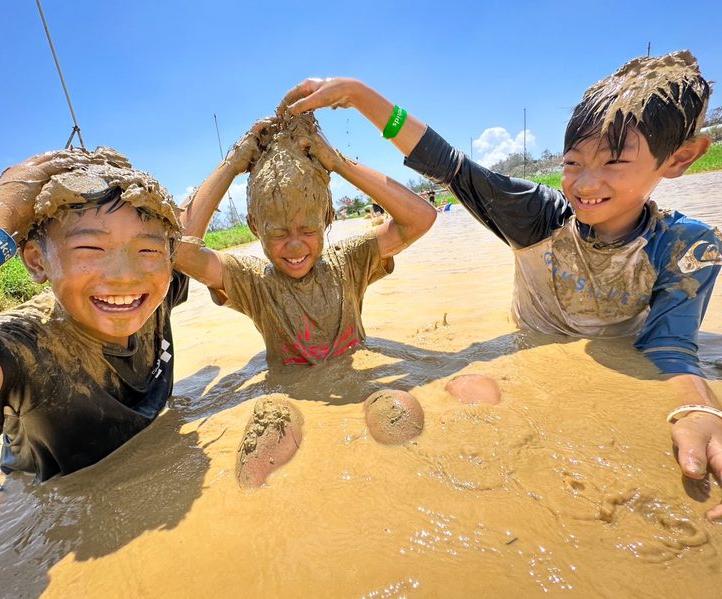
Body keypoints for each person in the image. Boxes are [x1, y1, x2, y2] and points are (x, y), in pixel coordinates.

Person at [280, 50, 722, 519]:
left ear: (679, 159)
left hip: (618, 361)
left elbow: (670, 346)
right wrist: (359, 95)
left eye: (614, 161)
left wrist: (699, 410)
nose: (586, 183)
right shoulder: (537, 217)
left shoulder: (688, 246)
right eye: (573, 163)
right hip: (532, 346)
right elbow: (451, 166)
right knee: (473, 392)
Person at [0, 148, 191, 482]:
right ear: (36, 261)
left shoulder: (153, 298)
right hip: (51, 497)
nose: (125, 275)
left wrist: (234, 163)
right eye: (91, 248)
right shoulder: (27, 345)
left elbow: (191, 230)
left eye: (149, 250)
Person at [179, 112, 436, 369]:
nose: (295, 246)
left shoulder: (349, 263)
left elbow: (420, 218)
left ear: (326, 217)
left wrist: (337, 163)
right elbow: (182, 252)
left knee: (396, 406)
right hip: (289, 396)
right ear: (255, 227)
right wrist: (233, 163)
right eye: (279, 234)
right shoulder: (253, 282)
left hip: (355, 376)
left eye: (308, 230)